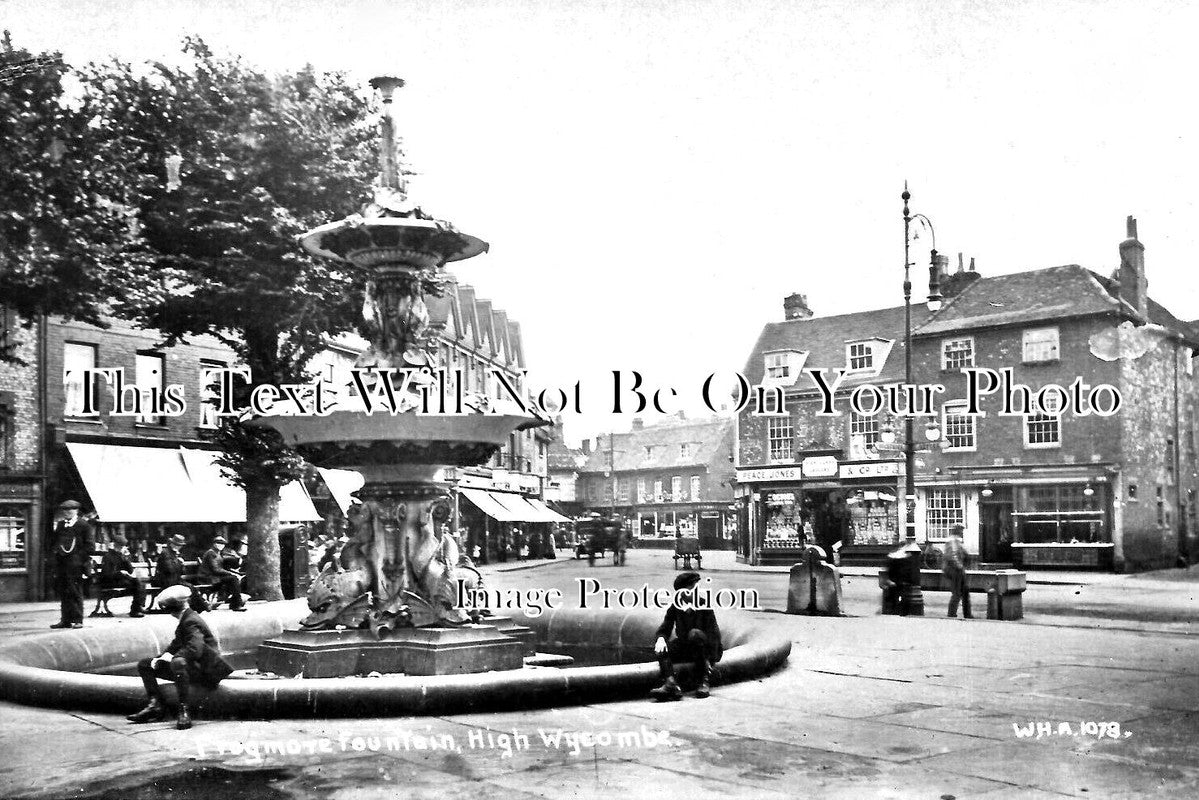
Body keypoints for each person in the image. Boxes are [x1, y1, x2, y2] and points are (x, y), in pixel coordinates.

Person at [127, 585, 234, 730]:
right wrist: (160, 659)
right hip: (196, 668)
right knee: (145, 665)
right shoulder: (187, 619)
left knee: (177, 662)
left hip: (206, 672)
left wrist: (170, 659)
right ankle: (155, 705)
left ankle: (184, 710)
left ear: (171, 609)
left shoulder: (190, 621)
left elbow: (195, 650)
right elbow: (175, 646)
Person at [650, 571, 723, 701]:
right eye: (691, 588)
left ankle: (704, 681)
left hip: (703, 649)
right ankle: (671, 684)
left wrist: (710, 659)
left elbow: (714, 635)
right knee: (661, 646)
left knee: (694, 634)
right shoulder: (675, 607)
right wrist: (660, 639)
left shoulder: (703, 605)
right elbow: (664, 628)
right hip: (686, 647)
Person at [49, 499, 95, 629]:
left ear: (76, 511)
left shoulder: (84, 525)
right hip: (62, 564)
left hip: (76, 566)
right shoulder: (61, 525)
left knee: (75, 592)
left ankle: (78, 619)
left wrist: (78, 559)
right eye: (64, 510)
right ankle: (66, 620)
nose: (66, 513)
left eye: (69, 510)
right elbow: (55, 542)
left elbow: (90, 547)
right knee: (64, 592)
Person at [155, 534, 209, 613]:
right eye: (177, 545)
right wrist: (178, 562)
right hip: (166, 580)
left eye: (180, 545)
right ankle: (203, 606)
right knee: (190, 587)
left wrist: (180, 564)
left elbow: (181, 571)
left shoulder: (174, 554)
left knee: (192, 587)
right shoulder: (165, 553)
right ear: (172, 544)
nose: (178, 547)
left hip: (174, 579)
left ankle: (202, 606)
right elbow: (169, 569)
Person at [97, 534, 146, 617]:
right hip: (110, 582)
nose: (123, 548)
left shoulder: (121, 556)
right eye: (122, 546)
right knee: (137, 583)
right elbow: (106, 574)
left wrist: (126, 559)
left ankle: (138, 607)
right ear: (117, 546)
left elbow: (130, 571)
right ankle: (135, 609)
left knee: (139, 582)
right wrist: (120, 573)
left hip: (119, 580)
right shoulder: (108, 556)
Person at [198, 534, 246, 611]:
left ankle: (234, 602)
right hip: (208, 577)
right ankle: (236, 604)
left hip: (215, 577)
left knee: (233, 579)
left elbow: (222, 567)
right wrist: (230, 573)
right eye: (218, 543)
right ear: (214, 544)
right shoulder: (211, 553)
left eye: (222, 544)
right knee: (233, 579)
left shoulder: (218, 553)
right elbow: (215, 569)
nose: (220, 545)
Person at [943, 524, 973, 619]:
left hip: (958, 569)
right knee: (957, 592)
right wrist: (960, 566)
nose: (962, 533)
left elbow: (963, 554)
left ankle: (967, 614)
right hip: (955, 570)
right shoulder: (952, 541)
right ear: (957, 531)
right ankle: (952, 614)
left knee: (965, 591)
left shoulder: (956, 541)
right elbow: (952, 556)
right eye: (961, 531)